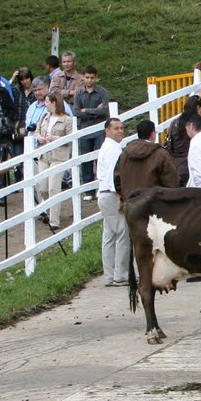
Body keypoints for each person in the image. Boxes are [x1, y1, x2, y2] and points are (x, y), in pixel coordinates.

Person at [34, 91, 74, 231]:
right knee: (43, 188)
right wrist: (39, 138)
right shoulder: (44, 117)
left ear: (54, 103)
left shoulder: (67, 120)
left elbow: (70, 138)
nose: (45, 104)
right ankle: (50, 210)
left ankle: (54, 220)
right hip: (44, 155)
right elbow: (37, 131)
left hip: (59, 156)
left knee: (53, 187)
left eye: (47, 102)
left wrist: (54, 139)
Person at [97, 117, 130, 286]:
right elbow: (113, 175)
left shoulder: (108, 147)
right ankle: (120, 275)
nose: (120, 131)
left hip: (104, 194)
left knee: (109, 235)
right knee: (123, 232)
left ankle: (109, 275)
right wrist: (119, 196)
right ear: (107, 131)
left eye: (122, 128)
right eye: (116, 128)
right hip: (111, 194)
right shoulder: (113, 149)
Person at [116, 117, 181, 200]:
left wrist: (124, 197)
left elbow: (117, 180)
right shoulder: (160, 154)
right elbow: (172, 181)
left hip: (131, 204)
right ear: (152, 134)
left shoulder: (124, 154)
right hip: (154, 204)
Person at [73, 66, 112, 193]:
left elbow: (105, 110)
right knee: (85, 161)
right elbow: (76, 112)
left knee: (101, 159)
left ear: (96, 78)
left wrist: (87, 110)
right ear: (83, 77)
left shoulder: (103, 92)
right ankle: (89, 191)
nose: (89, 80)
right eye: (87, 77)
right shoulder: (79, 92)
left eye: (92, 78)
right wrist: (95, 110)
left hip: (99, 130)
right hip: (84, 130)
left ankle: (103, 187)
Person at [166, 96, 201, 183]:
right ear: (197, 107)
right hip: (190, 165)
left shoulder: (174, 122)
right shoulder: (195, 124)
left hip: (175, 165)